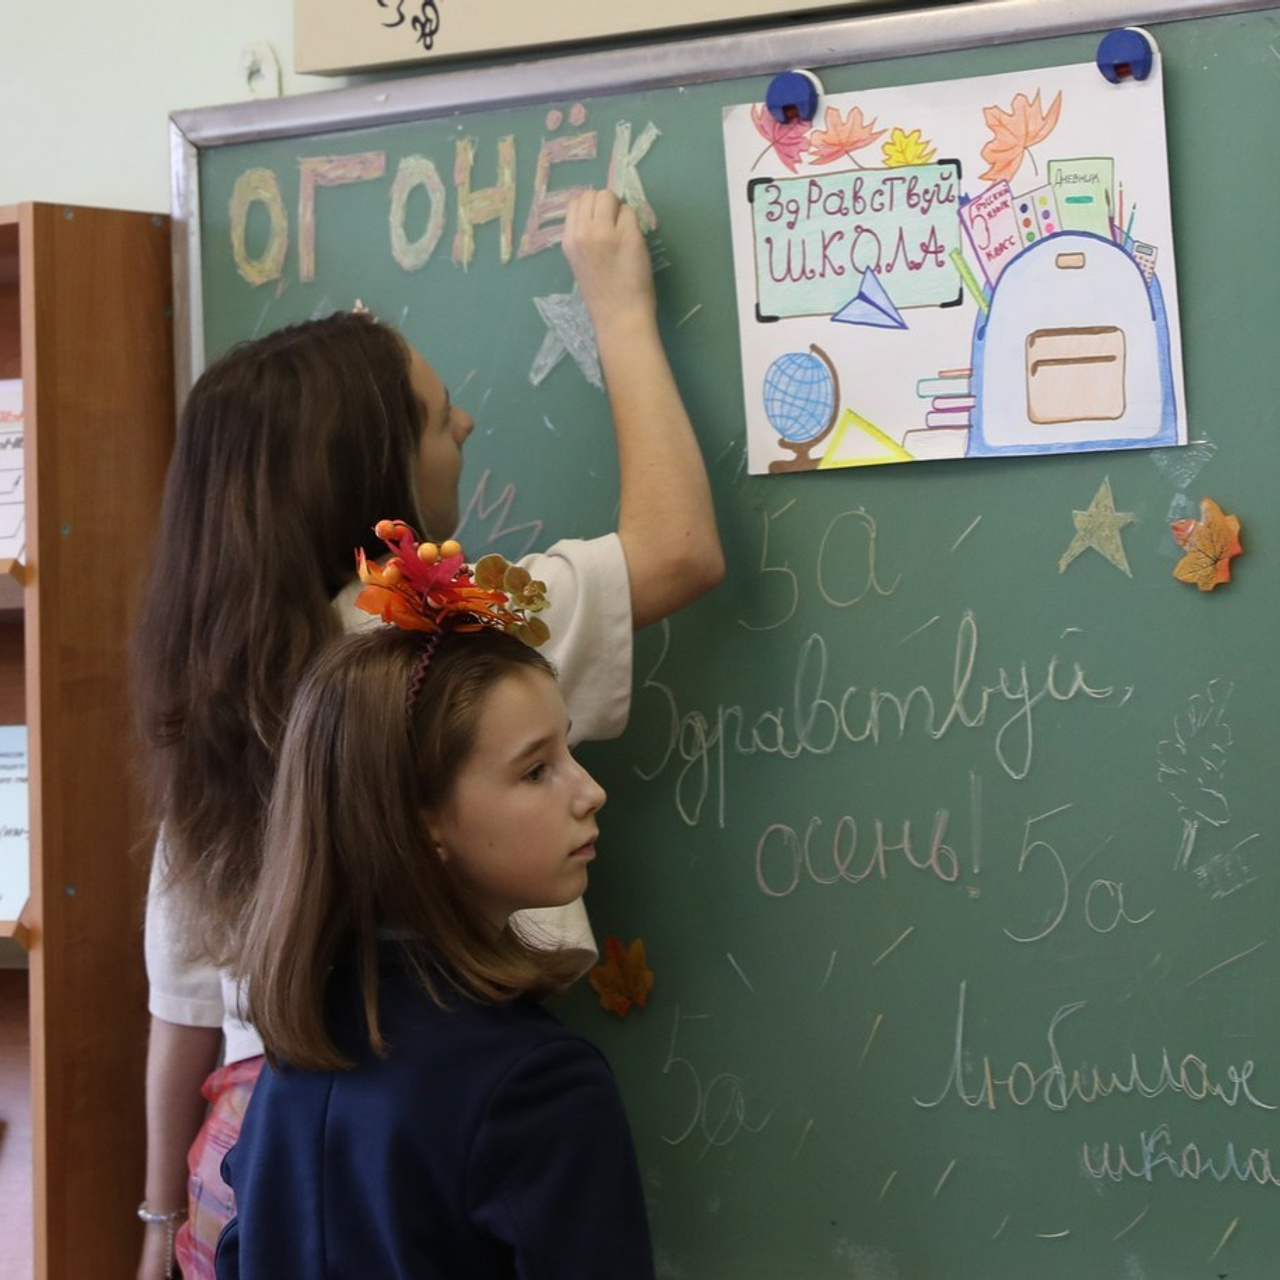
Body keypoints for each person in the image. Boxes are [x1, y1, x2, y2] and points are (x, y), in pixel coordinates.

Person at [134, 188, 723, 1280]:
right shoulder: (431, 632)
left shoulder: (212, 681)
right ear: (378, 475)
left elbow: (180, 998)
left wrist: (160, 1217)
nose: (464, 423)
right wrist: (620, 309)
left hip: (252, 1147)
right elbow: (678, 547)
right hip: (427, 1126)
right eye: (435, 410)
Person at [214, 525, 655, 1278]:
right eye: (535, 770)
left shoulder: (296, 1057)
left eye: (569, 752)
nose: (590, 791)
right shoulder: (538, 1085)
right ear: (422, 821)